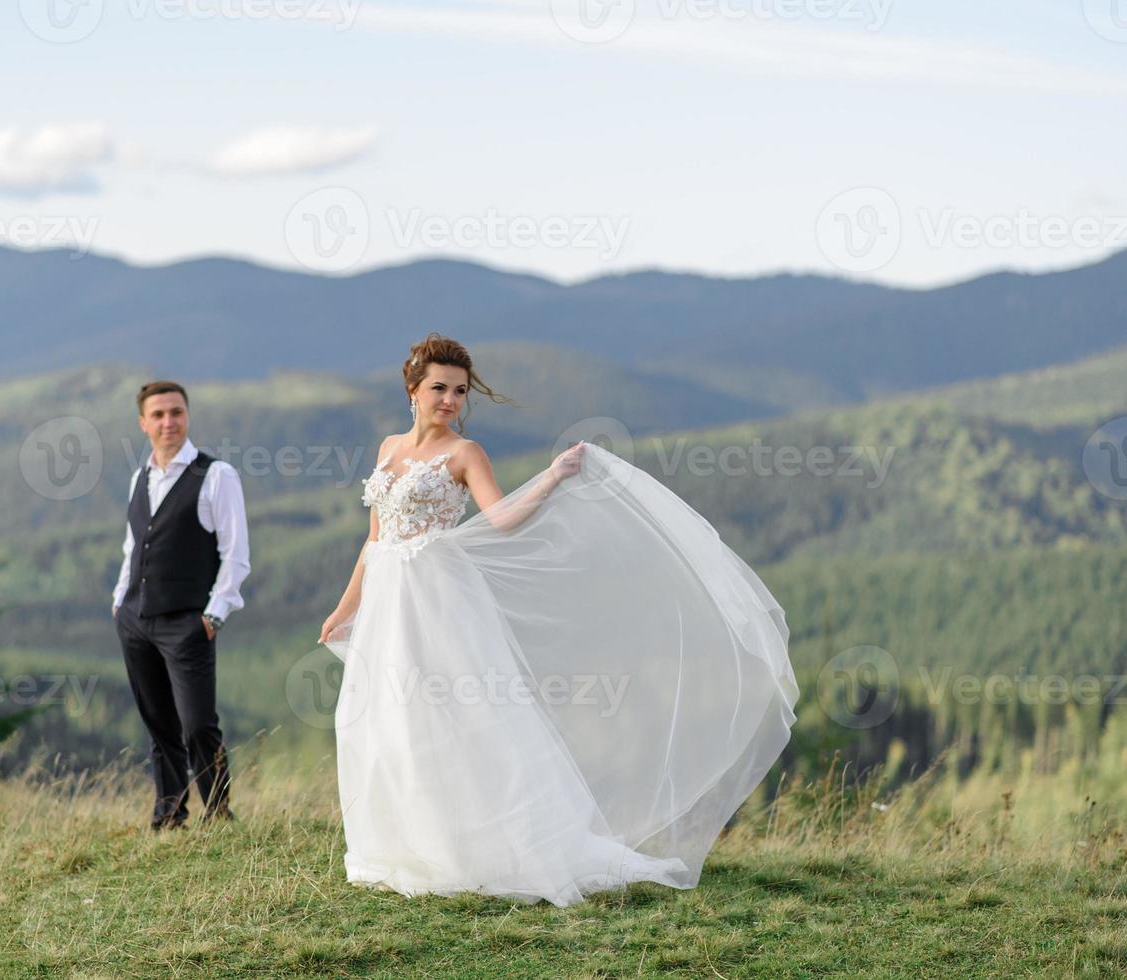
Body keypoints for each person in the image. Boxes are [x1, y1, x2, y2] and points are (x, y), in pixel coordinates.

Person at [318, 334, 798, 906]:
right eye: (439, 388)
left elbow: (501, 521)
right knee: (392, 717)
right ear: (413, 389)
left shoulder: (466, 455)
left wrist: (552, 476)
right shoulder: (388, 448)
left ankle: (480, 851)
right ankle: (408, 847)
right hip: (390, 603)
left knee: (458, 715)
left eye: (460, 391)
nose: (450, 400)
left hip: (440, 602)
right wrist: (346, 609)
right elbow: (375, 541)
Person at [113, 380, 250, 829]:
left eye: (176, 412)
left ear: (187, 416)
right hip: (136, 619)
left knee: (197, 725)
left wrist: (213, 615)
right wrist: (120, 603)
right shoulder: (140, 477)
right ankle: (168, 814)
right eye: (158, 415)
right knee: (159, 725)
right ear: (143, 424)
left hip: (188, 622)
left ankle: (218, 813)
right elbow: (134, 547)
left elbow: (236, 555)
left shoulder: (216, 475)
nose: (168, 422)